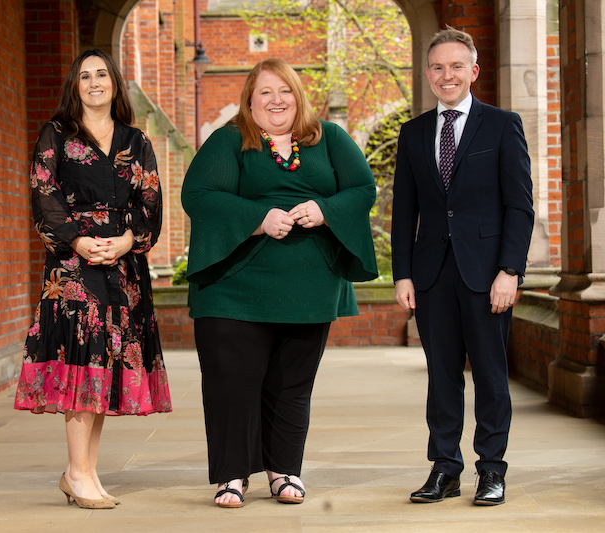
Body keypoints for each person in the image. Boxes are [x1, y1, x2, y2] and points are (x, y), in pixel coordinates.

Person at [181, 58, 378, 508]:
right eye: (265, 92)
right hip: (234, 287)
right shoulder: (230, 141)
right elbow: (198, 195)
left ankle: (284, 470)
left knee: (292, 384)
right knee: (233, 382)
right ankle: (232, 475)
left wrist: (323, 210)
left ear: (298, 96)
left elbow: (362, 188)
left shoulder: (330, 139)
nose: (276, 100)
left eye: (284, 91)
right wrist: (257, 218)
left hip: (309, 288)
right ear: (249, 101)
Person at [14, 49, 172, 510]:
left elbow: (150, 200)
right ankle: (78, 473)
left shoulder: (136, 139)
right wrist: (78, 241)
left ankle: (81, 472)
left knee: (102, 365)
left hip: (123, 268)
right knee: (83, 360)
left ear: (115, 83)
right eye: (86, 76)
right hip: (73, 269)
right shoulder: (57, 134)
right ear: (75, 86)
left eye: (102, 74)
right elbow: (43, 194)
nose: (95, 82)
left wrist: (127, 241)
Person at [391, 27, 534, 506]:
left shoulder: (501, 125)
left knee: (492, 375)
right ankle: (444, 469)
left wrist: (510, 271)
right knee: (441, 376)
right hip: (431, 274)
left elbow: (519, 207)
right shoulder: (412, 134)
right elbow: (403, 211)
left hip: (488, 274)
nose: (446, 75)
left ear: (473, 71)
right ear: (427, 74)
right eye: (437, 67)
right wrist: (403, 274)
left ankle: (491, 470)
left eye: (456, 66)